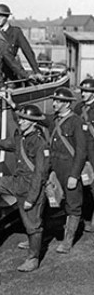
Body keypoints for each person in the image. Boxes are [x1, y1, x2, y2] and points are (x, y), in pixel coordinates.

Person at [0, 103, 50, 272]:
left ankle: (33, 258)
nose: (20, 121)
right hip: (17, 182)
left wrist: (31, 199)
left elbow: (40, 175)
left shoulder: (40, 144)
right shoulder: (20, 138)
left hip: (31, 189)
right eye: (20, 118)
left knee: (33, 225)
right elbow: (0, 144)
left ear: (32, 122)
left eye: (24, 119)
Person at [43, 87, 87, 253]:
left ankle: (67, 241)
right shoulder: (54, 119)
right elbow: (35, 117)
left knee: (73, 204)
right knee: (49, 200)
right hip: (54, 168)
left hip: (69, 168)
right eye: (54, 100)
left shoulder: (76, 122)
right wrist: (13, 106)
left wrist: (74, 175)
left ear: (68, 103)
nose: (54, 103)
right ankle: (43, 237)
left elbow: (81, 151)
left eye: (58, 101)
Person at [0, 3, 44, 81]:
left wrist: (36, 71)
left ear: (6, 17)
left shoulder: (16, 32)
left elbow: (27, 51)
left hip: (11, 72)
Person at [73, 77, 94, 232]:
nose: (84, 94)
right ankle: (84, 217)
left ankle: (90, 218)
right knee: (83, 186)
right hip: (80, 151)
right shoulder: (78, 108)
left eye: (87, 91)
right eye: (83, 91)